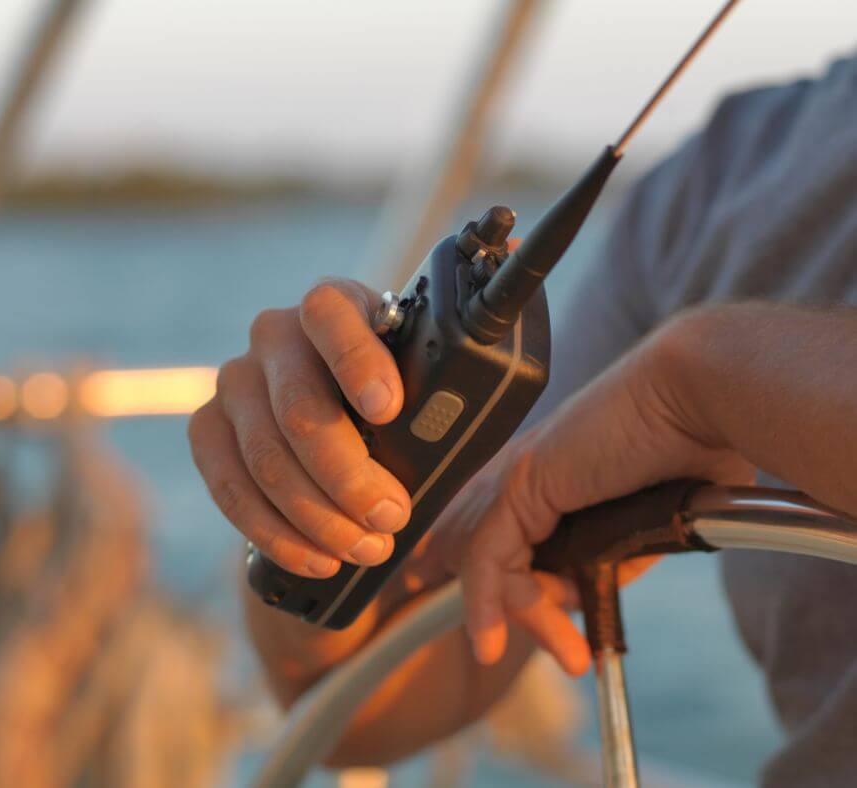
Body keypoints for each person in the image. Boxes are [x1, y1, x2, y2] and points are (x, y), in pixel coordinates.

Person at [188, 53, 857, 785]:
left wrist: (707, 381)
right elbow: (352, 710)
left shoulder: (689, 338)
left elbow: (679, 385)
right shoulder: (720, 182)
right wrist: (310, 494)